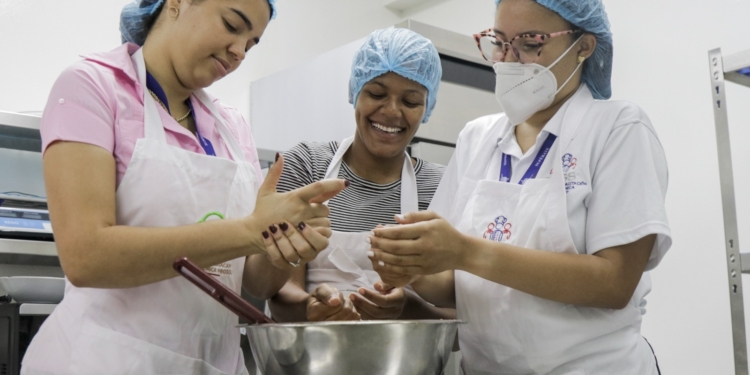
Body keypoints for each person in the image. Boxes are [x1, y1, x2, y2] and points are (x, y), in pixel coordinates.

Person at [21, 1, 348, 374]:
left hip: (213, 362)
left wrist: (289, 243)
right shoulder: (93, 87)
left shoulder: (231, 126)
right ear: (176, 3)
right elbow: (86, 257)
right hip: (108, 360)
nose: (240, 51)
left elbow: (254, 279)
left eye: (252, 43)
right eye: (232, 24)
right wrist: (250, 230)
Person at [368, 0, 671, 374]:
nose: (509, 59)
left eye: (530, 42)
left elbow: (614, 282)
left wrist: (464, 251)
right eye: (499, 41)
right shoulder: (476, 137)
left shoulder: (617, 128)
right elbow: (458, 286)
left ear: (583, 47)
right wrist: (415, 271)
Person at [267, 28, 455, 322]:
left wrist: (408, 308)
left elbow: (460, 317)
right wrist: (311, 308)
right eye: (377, 93)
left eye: (410, 101)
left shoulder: (442, 185)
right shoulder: (305, 165)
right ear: (355, 91)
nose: (392, 112)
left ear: (426, 108)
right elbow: (276, 291)